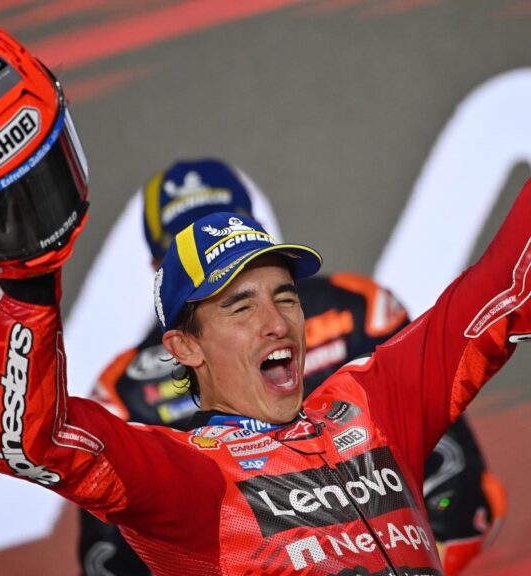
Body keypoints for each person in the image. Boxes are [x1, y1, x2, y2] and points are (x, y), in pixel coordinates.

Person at [0, 14, 524, 576]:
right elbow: (23, 439)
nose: (276, 322)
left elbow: (502, 286)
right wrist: (31, 279)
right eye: (241, 305)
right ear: (184, 346)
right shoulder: (189, 481)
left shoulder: (373, 407)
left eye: (285, 297)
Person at [79, 160, 505, 576]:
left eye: (228, 239)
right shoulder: (125, 389)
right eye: (188, 250)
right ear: (159, 270)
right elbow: (107, 557)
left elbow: (454, 468)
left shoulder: (358, 307)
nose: (276, 324)